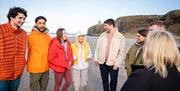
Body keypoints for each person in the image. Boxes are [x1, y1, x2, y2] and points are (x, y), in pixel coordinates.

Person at [94, 19, 125, 91]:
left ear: (111, 25)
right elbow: (97, 47)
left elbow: (121, 52)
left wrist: (117, 64)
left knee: (113, 81)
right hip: (102, 62)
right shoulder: (102, 35)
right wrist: (96, 59)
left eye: (106, 25)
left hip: (113, 64)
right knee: (104, 81)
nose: (105, 27)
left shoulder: (120, 37)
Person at [0, 7, 27, 91]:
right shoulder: (1, 29)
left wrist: (22, 64)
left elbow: (23, 52)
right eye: (20, 18)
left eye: (24, 18)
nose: (22, 21)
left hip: (17, 74)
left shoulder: (24, 33)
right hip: (2, 75)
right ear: (11, 17)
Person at [27, 16, 51, 91]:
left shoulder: (48, 37)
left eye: (43, 23)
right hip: (34, 69)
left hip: (46, 68)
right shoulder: (30, 37)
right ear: (36, 24)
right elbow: (27, 52)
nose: (42, 25)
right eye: (39, 23)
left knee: (43, 88)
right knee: (34, 89)